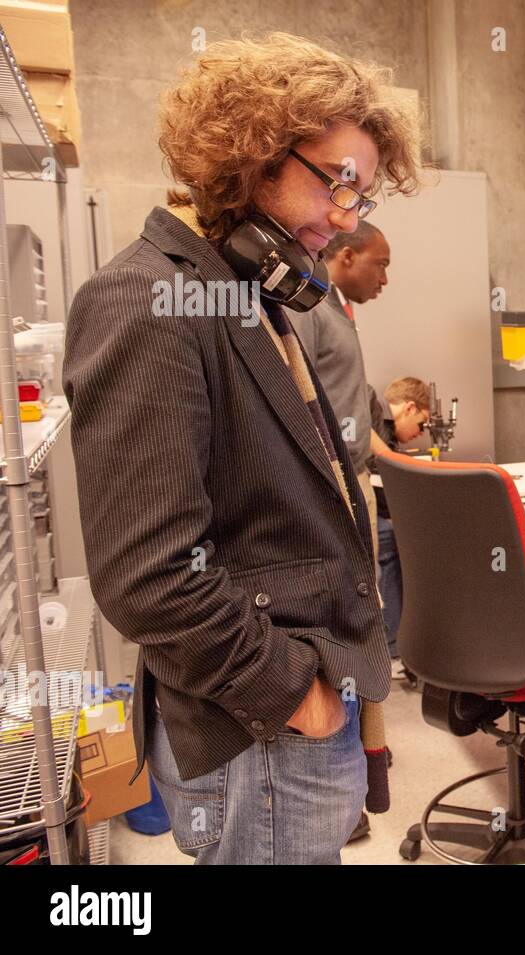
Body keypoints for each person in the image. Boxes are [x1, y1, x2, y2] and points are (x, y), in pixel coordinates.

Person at [62, 33, 419, 864]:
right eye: (337, 183)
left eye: (360, 197)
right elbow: (149, 575)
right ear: (250, 154)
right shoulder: (146, 298)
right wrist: (296, 695)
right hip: (260, 730)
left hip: (289, 719)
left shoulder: (244, 294)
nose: (344, 217)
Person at [290, 222, 390, 575]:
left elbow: (346, 398)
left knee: (369, 591)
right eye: (381, 264)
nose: (384, 279)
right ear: (347, 255)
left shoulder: (338, 309)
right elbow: (295, 397)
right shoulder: (309, 309)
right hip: (333, 483)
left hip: (354, 474)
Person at [367, 377, 432, 666]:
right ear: (409, 408)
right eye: (422, 423)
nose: (420, 433)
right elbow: (377, 472)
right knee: (391, 542)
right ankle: (394, 649)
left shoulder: (384, 430)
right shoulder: (370, 413)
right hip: (361, 513)